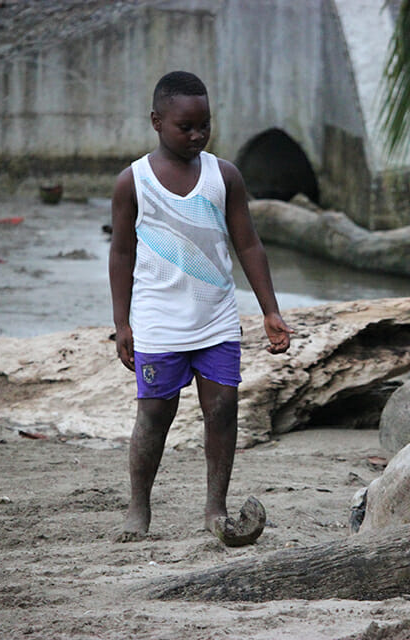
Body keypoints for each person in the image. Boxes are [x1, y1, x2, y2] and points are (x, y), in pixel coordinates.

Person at [108, 70, 293, 545]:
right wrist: (121, 322)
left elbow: (248, 244)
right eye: (184, 127)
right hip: (158, 322)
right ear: (156, 121)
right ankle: (138, 507)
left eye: (203, 126)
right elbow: (122, 253)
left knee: (224, 409)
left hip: (216, 321)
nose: (196, 135)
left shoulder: (223, 175)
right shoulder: (134, 182)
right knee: (154, 416)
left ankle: (215, 508)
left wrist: (269, 309)